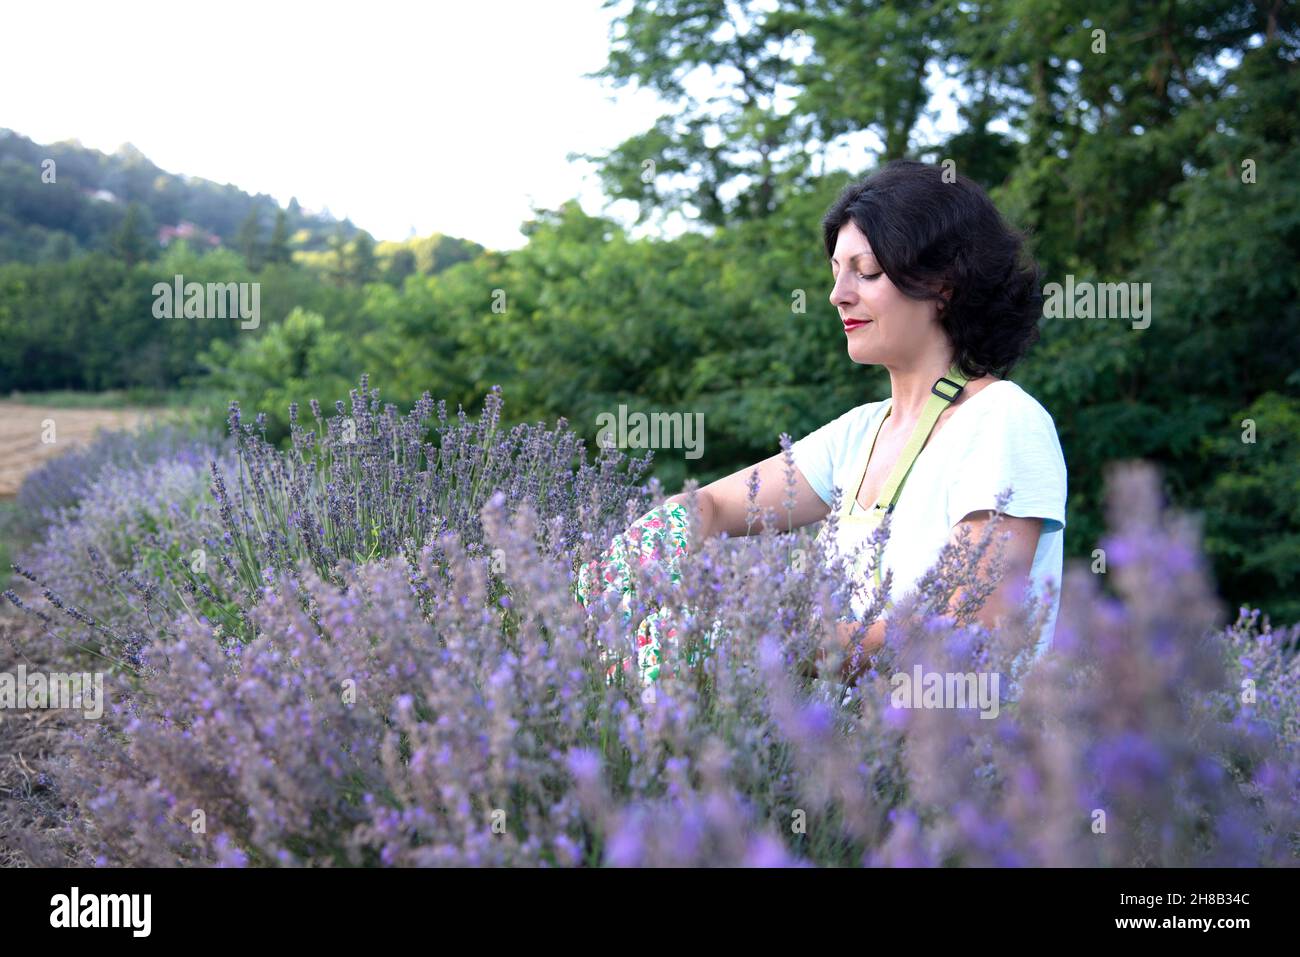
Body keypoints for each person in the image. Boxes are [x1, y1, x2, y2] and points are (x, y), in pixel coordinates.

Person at [578, 159, 1067, 692]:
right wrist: (637, 554)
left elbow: (970, 631)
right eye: (836, 270)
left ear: (944, 283)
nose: (839, 294)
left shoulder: (1001, 421)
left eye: (868, 271)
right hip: (851, 760)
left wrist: (767, 643)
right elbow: (714, 506)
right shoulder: (860, 432)